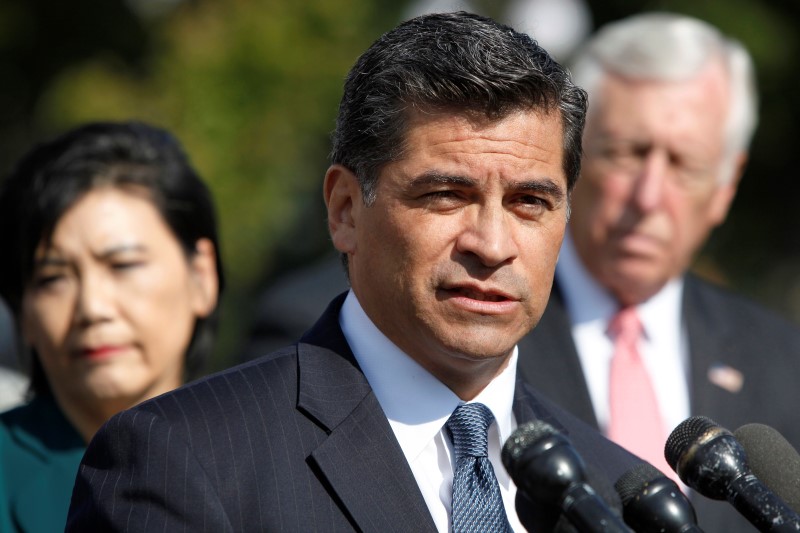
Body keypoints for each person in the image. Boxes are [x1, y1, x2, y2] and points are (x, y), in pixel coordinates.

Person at [67, 12, 645, 532]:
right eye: (446, 195)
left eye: (529, 203)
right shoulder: (181, 461)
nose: (492, 245)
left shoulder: (618, 496)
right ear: (345, 210)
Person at [514, 12, 800, 531]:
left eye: (683, 163)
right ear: (571, 158)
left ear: (724, 187)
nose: (648, 197)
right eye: (626, 153)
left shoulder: (784, 364)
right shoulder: (476, 329)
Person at [0, 121, 223, 532]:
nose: (92, 308)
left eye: (123, 265)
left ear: (201, 277)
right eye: (52, 278)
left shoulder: (275, 455)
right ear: (23, 312)